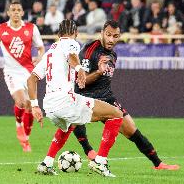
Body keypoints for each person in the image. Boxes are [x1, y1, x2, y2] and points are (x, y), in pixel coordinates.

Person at [72, 20, 180, 170]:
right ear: (102, 33)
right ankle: (89, 151)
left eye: (115, 36)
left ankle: (158, 164)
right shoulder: (90, 50)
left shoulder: (113, 54)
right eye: (108, 35)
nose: (111, 39)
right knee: (73, 119)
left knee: (131, 129)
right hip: (88, 96)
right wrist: (98, 72)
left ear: (119, 36)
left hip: (107, 97)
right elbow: (80, 82)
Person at [27, 19, 124, 177]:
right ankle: (100, 162)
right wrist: (79, 69)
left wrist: (34, 106)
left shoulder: (50, 52)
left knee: (69, 124)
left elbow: (31, 79)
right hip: (65, 100)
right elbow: (72, 55)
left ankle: (47, 163)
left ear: (58, 34)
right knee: (116, 114)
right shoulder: (72, 43)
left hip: (49, 105)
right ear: (76, 33)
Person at [0, 1, 45, 152]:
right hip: (11, 72)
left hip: (28, 71)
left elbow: (40, 48)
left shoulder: (31, 28)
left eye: (19, 10)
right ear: (8, 13)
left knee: (31, 106)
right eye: (13, 10)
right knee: (21, 101)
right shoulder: (0, 29)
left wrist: (39, 57)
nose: (16, 12)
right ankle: (18, 124)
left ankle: (26, 137)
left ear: (22, 13)